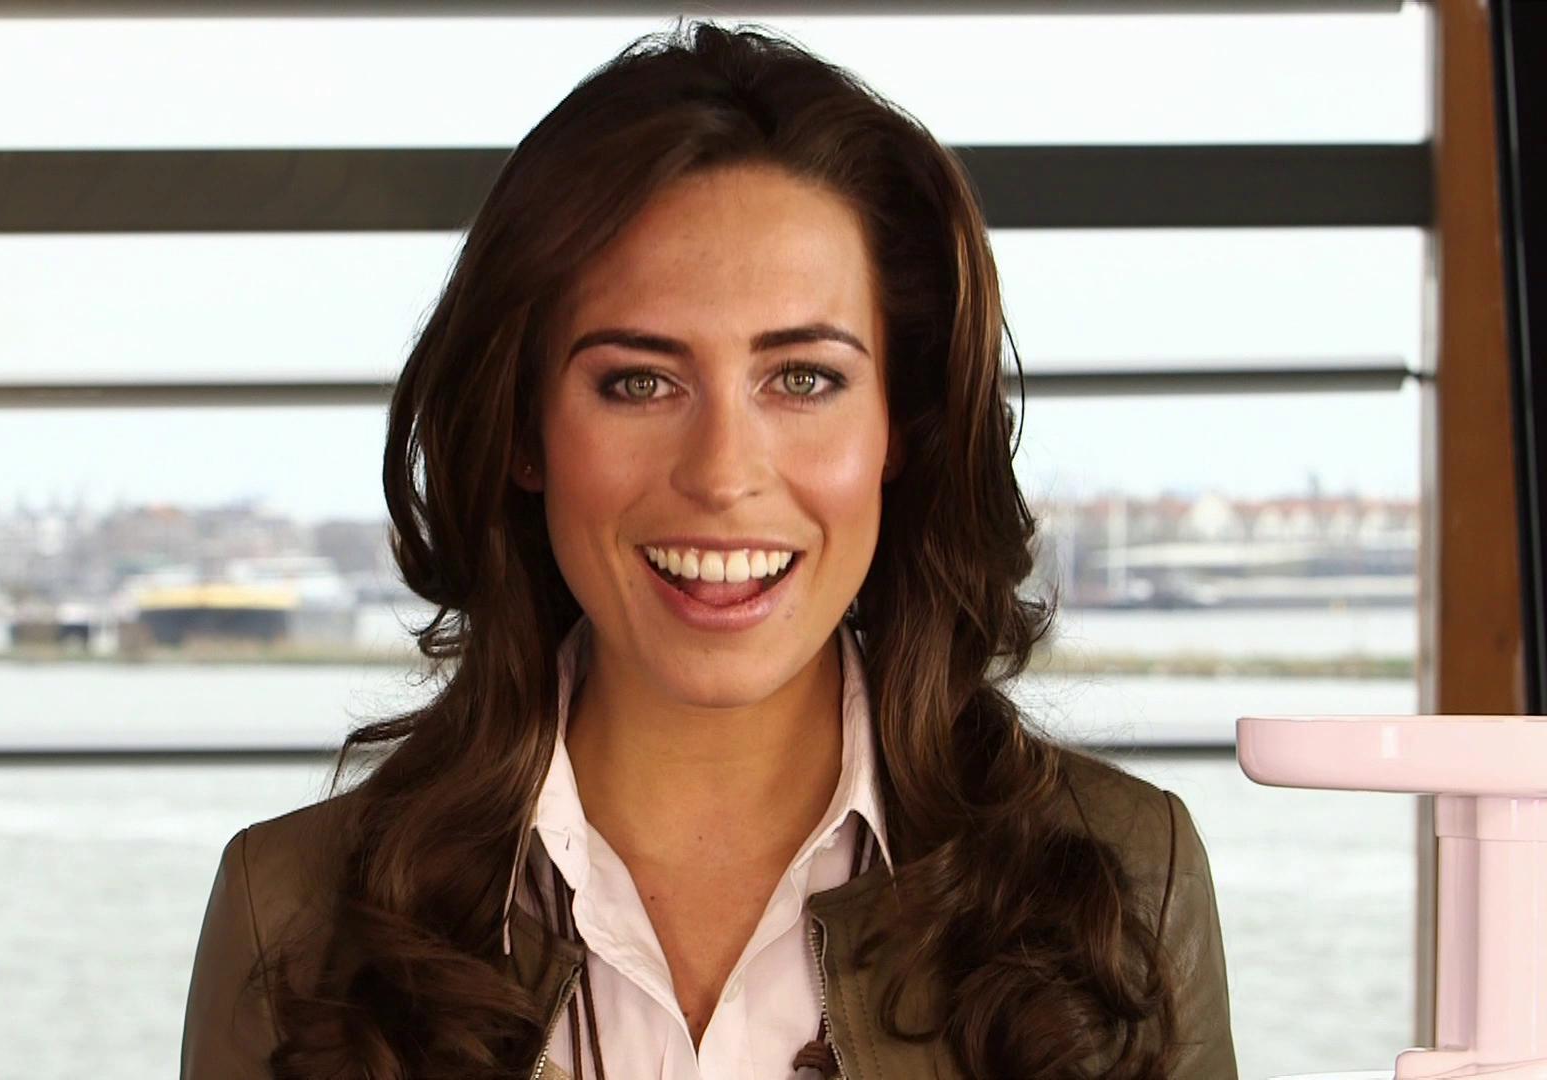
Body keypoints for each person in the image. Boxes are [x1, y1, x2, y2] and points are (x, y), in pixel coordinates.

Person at [181, 18, 1235, 1080]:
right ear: (523, 430)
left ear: (899, 429)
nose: (723, 474)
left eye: (804, 379)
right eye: (639, 382)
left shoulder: (1124, 887)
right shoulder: (294, 918)